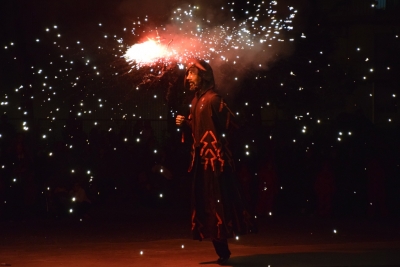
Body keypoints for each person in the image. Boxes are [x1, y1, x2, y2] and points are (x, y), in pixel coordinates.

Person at [176, 59, 256, 265]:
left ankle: (224, 249)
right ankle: (221, 250)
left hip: (216, 163)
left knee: (218, 204)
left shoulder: (213, 99)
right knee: (206, 205)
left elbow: (234, 125)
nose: (187, 78)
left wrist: (222, 147)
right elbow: (199, 128)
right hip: (201, 162)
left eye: (191, 73)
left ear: (203, 76)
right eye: (187, 74)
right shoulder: (195, 101)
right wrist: (187, 123)